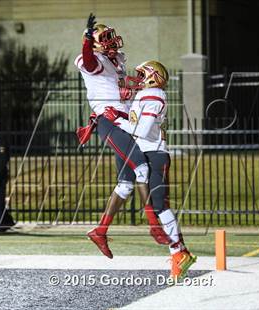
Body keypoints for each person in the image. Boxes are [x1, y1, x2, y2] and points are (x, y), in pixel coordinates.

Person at [75, 13, 170, 258]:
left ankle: (100, 231)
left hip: (123, 121)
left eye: (109, 36)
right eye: (103, 38)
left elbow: (118, 87)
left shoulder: (116, 59)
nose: (110, 41)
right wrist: (87, 40)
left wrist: (132, 89)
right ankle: (154, 226)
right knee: (142, 170)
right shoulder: (92, 59)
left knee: (126, 184)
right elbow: (88, 61)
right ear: (94, 43)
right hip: (109, 120)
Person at [103, 61, 197, 280]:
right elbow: (137, 125)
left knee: (160, 204)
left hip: (154, 154)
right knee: (149, 202)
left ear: (154, 77)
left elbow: (143, 130)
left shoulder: (154, 94)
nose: (138, 79)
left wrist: (116, 120)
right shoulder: (145, 95)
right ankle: (179, 253)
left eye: (141, 75)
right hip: (143, 152)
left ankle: (179, 252)